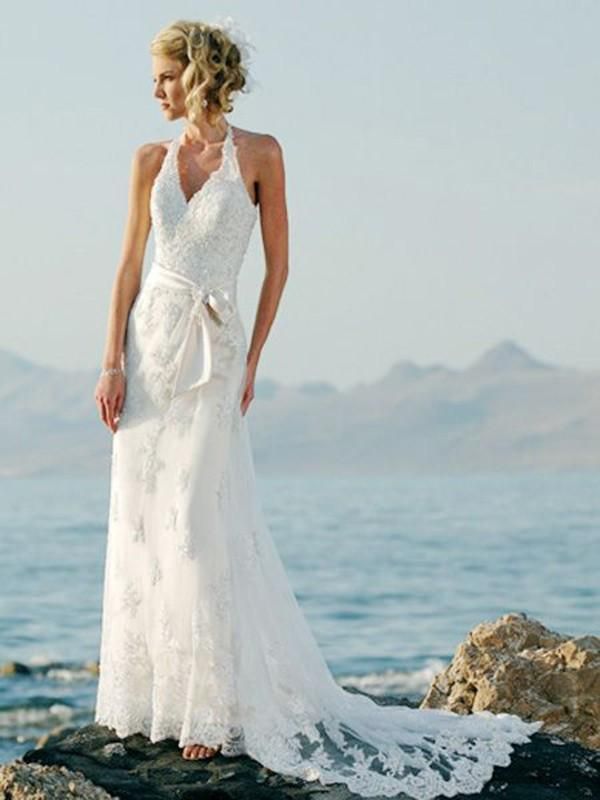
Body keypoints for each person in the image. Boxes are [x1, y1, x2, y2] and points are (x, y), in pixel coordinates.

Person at [93, 17, 543, 799]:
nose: (156, 91)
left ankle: (213, 707)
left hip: (216, 349)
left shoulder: (261, 155)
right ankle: (152, 698)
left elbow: (280, 266)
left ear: (196, 74)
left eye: (165, 76)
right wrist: (109, 363)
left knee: (202, 524)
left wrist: (254, 358)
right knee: (147, 518)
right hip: (150, 348)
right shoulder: (147, 159)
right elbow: (129, 263)